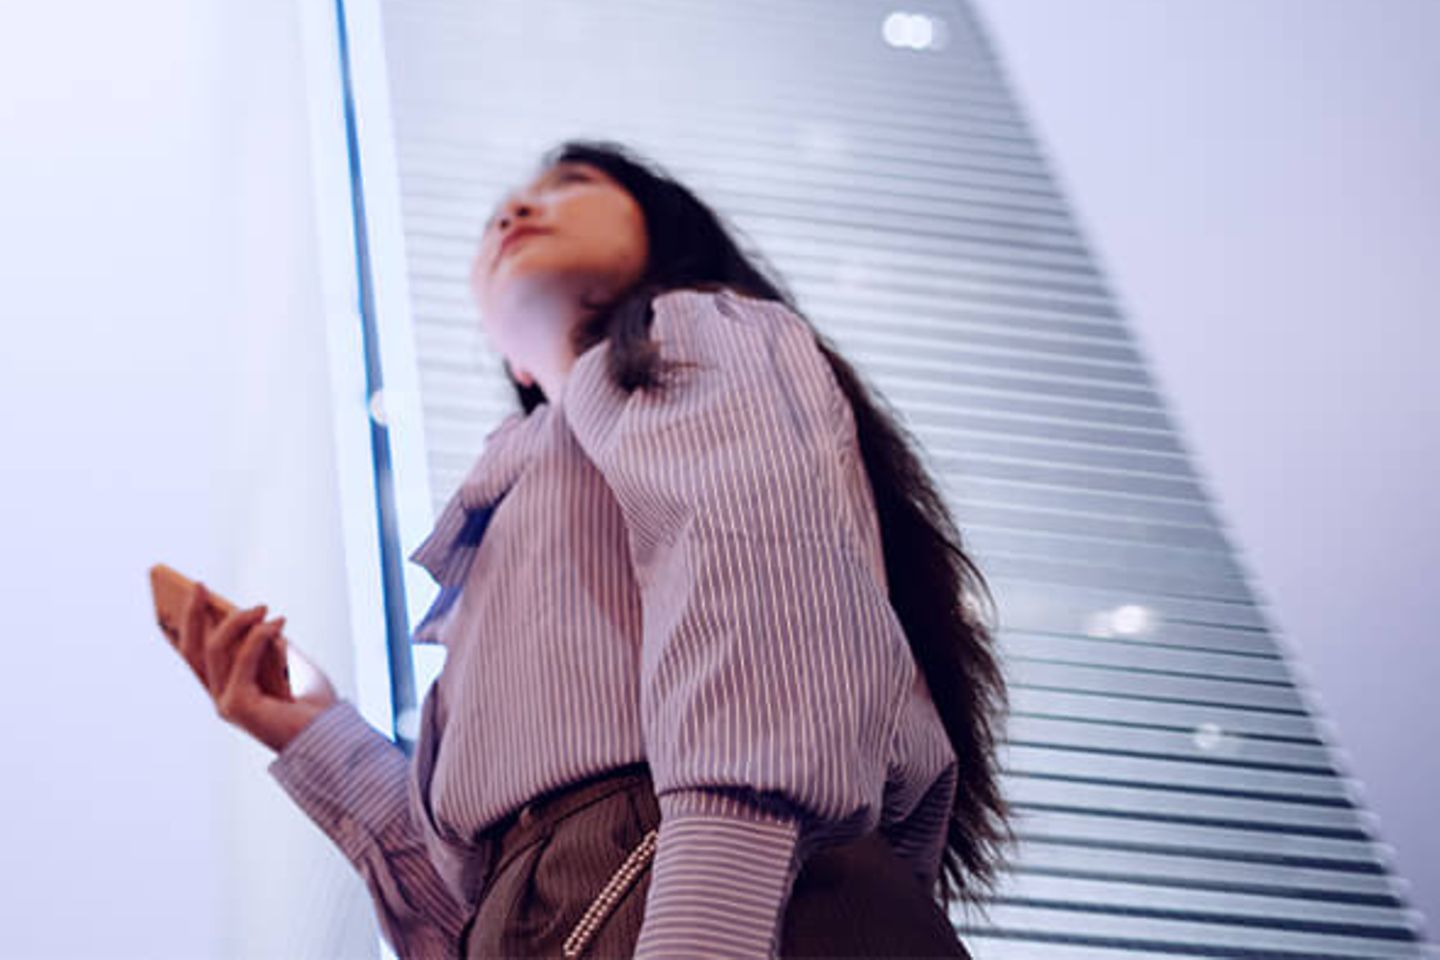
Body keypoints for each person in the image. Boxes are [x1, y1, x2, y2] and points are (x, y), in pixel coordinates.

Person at [169, 139, 1015, 959]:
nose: (518, 209)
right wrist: (309, 729)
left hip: (708, 885)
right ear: (516, 365)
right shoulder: (509, 507)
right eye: (497, 215)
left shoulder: (689, 331)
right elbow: (470, 905)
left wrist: (705, 928)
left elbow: (763, 600)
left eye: (571, 182)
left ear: (666, 235)